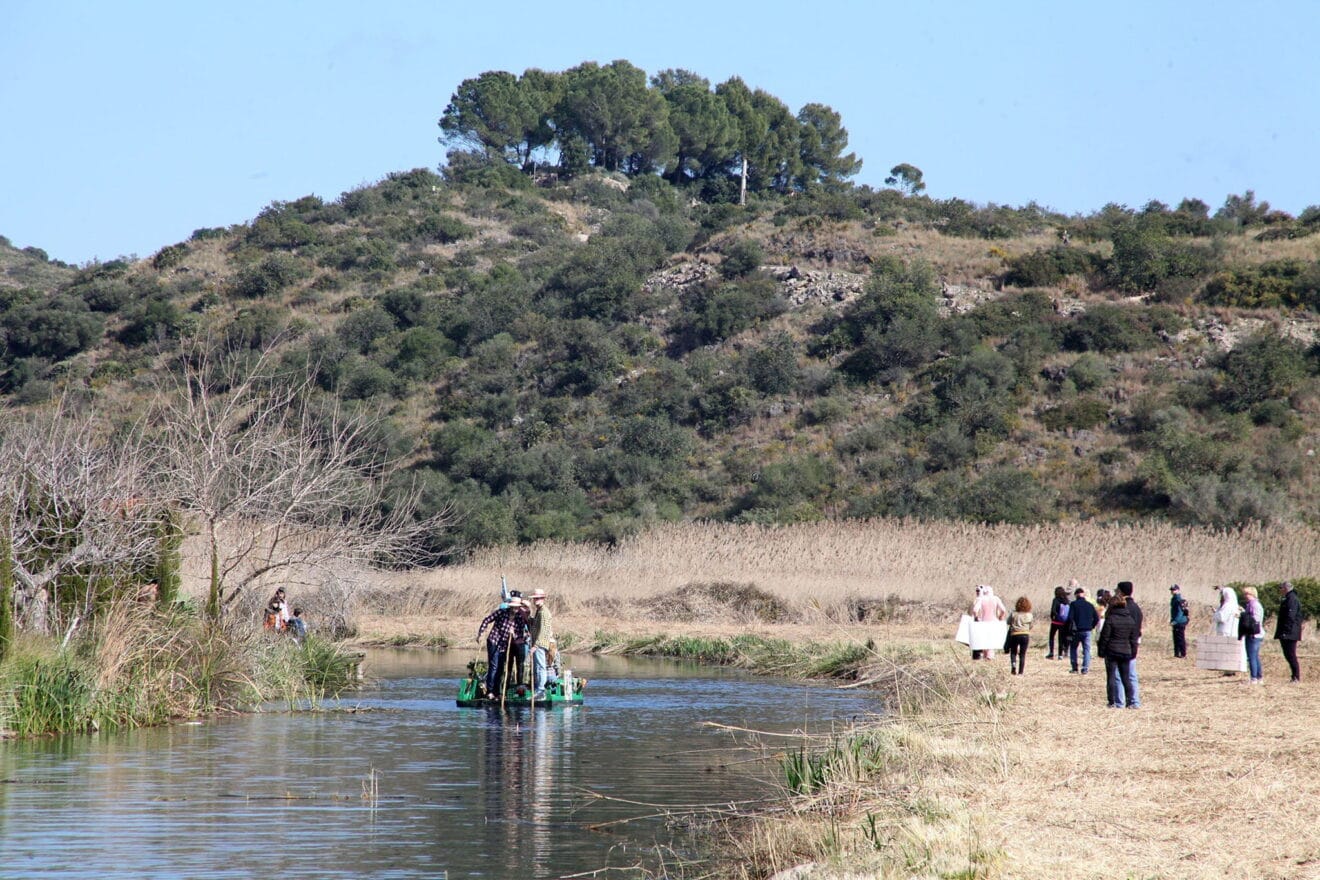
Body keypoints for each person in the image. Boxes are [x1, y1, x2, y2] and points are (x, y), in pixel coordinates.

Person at [1097, 593, 1139, 708]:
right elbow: (1133, 639)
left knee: (1111, 677)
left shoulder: (1110, 619)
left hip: (1112, 651)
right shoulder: (1130, 619)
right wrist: (1133, 652)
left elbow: (1105, 637)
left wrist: (1101, 651)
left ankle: (1112, 701)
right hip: (1126, 651)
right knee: (1126, 677)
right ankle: (1130, 701)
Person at [477, 596, 524, 698]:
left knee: (500, 668)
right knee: (494, 666)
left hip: (504, 645)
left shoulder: (519, 618)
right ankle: (490, 691)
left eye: (517, 607)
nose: (516, 608)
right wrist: (481, 633)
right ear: (511, 606)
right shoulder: (501, 612)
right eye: (514, 606)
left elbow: (520, 635)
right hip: (494, 641)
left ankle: (497, 692)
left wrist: (514, 634)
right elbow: (487, 620)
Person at [1113, 581, 1142, 707]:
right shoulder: (1136, 608)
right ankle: (1135, 701)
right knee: (1131, 674)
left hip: (1122, 643)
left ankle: (1120, 702)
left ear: (1121, 591)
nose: (1115, 592)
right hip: (1134, 642)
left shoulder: (1122, 607)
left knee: (1118, 674)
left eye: (1117, 590)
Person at [526, 588, 557, 698]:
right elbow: (535, 625)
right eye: (535, 598)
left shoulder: (543, 612)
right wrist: (528, 616)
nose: (536, 600)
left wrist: (536, 646)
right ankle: (538, 689)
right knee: (538, 667)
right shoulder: (539, 611)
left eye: (538, 598)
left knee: (540, 667)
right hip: (538, 643)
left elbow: (544, 631)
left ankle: (540, 690)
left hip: (540, 644)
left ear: (543, 599)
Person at [1275, 580, 1302, 683]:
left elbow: (1290, 616)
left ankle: (1296, 677)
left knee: (1291, 654)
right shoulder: (1288, 598)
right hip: (1288, 632)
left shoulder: (1291, 599)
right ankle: (1294, 676)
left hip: (1289, 632)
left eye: (1281, 588)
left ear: (1286, 588)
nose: (1280, 590)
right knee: (1288, 654)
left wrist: (1286, 631)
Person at [970, 585, 1007, 660]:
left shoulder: (981, 599)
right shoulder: (996, 598)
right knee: (991, 641)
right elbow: (1003, 610)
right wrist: (1000, 617)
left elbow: (975, 610)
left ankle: (986, 657)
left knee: (984, 641)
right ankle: (990, 657)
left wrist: (976, 618)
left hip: (983, 622)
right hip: (994, 622)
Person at [1067, 586, 1098, 674]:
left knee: (1073, 648)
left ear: (1076, 595)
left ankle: (1074, 668)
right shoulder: (1090, 605)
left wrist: (1070, 628)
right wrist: (1091, 626)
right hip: (1087, 630)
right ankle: (1085, 668)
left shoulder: (1073, 604)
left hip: (1076, 631)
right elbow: (1096, 618)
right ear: (1083, 595)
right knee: (1087, 650)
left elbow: (1070, 618)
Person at [1241, 586, 1264, 683]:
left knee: (1251, 656)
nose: (1245, 596)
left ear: (1253, 594)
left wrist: (1243, 615)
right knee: (1255, 656)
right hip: (1256, 634)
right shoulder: (1251, 604)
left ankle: (1254, 677)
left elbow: (1255, 619)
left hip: (1253, 634)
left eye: (1247, 594)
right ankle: (1259, 677)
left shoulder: (1254, 605)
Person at [1006, 596, 1033, 675]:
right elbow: (1031, 626)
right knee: (1022, 654)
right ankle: (1021, 672)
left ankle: (1013, 666)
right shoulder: (1029, 615)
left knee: (1013, 652)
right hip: (1025, 634)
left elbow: (1008, 622)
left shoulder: (1014, 614)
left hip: (1015, 634)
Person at [1047, 586, 1071, 660]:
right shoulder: (1067, 601)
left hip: (1055, 622)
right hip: (1063, 623)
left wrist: (1053, 617)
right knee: (1061, 638)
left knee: (1051, 637)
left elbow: (1053, 610)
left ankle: (1051, 652)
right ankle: (1060, 655)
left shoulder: (1055, 600)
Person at [1169, 584, 1189, 658]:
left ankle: (1183, 654)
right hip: (1177, 621)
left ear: (1178, 590)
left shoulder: (1178, 599)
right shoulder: (1174, 598)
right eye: (1171, 590)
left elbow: (1179, 613)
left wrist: (1175, 621)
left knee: (1180, 638)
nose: (1172, 591)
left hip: (1180, 622)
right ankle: (1177, 654)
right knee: (1176, 638)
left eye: (1174, 590)